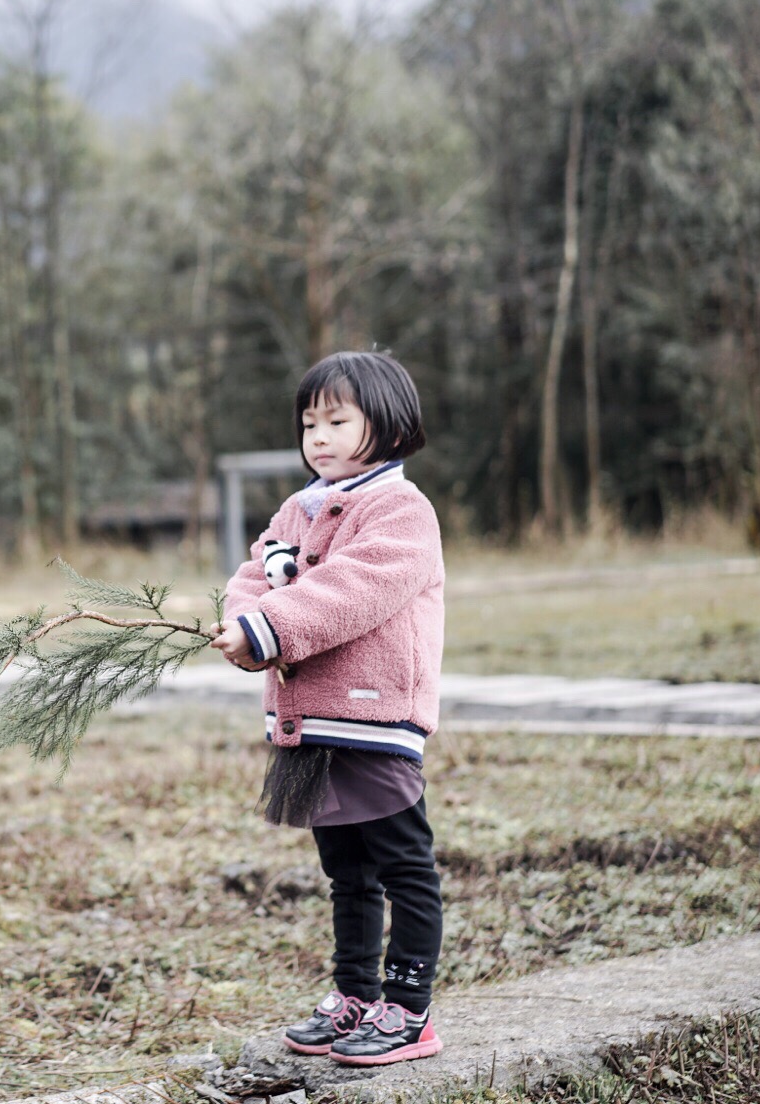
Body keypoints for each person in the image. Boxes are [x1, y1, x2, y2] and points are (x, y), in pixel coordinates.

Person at [210, 350, 445, 1067]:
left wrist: (275, 626)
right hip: (308, 718)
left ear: (391, 427)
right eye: (310, 422)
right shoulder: (300, 507)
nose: (319, 437)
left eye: (338, 421)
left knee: (402, 863)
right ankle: (354, 994)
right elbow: (255, 573)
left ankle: (409, 1008)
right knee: (345, 869)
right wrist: (247, 624)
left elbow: (352, 589)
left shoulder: (400, 510)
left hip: (373, 718)